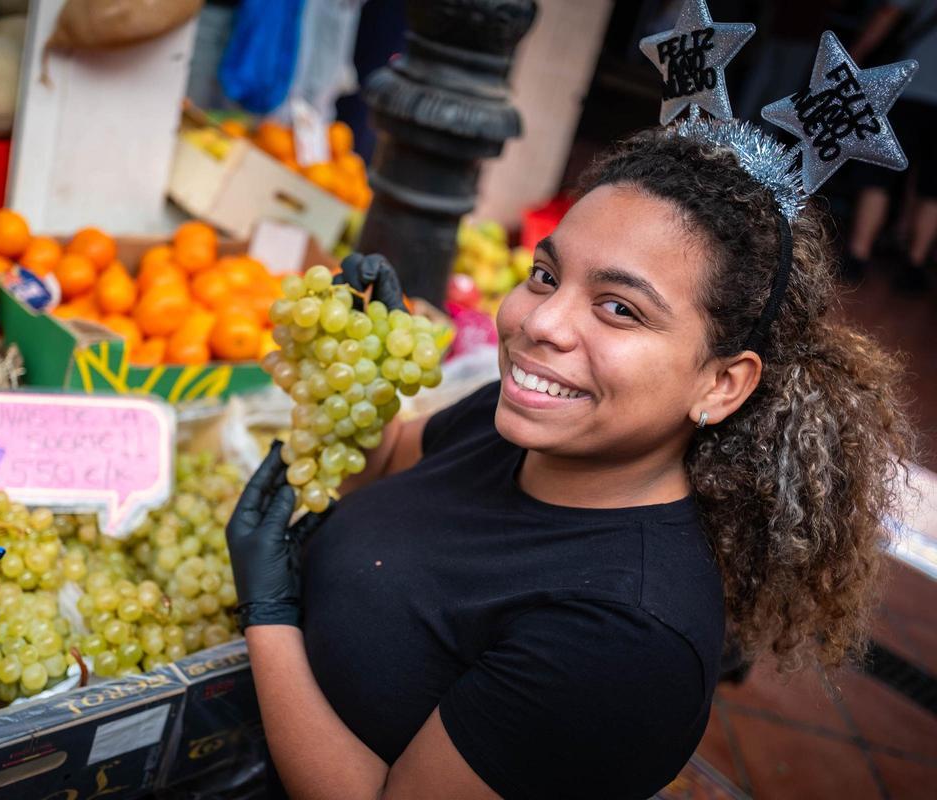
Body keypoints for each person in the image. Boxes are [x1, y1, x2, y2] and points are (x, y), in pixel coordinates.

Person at [225, 125, 916, 799]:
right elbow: (384, 465)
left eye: (619, 308)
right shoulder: (516, 425)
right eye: (545, 275)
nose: (541, 322)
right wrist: (363, 368)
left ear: (721, 383)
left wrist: (270, 616)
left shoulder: (626, 638)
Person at [845, 0, 937, 287]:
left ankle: (858, 254)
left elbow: (888, 13)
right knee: (933, 187)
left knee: (878, 173)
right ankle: (914, 263)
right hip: (912, 90)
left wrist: (852, 58)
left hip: (909, 87)